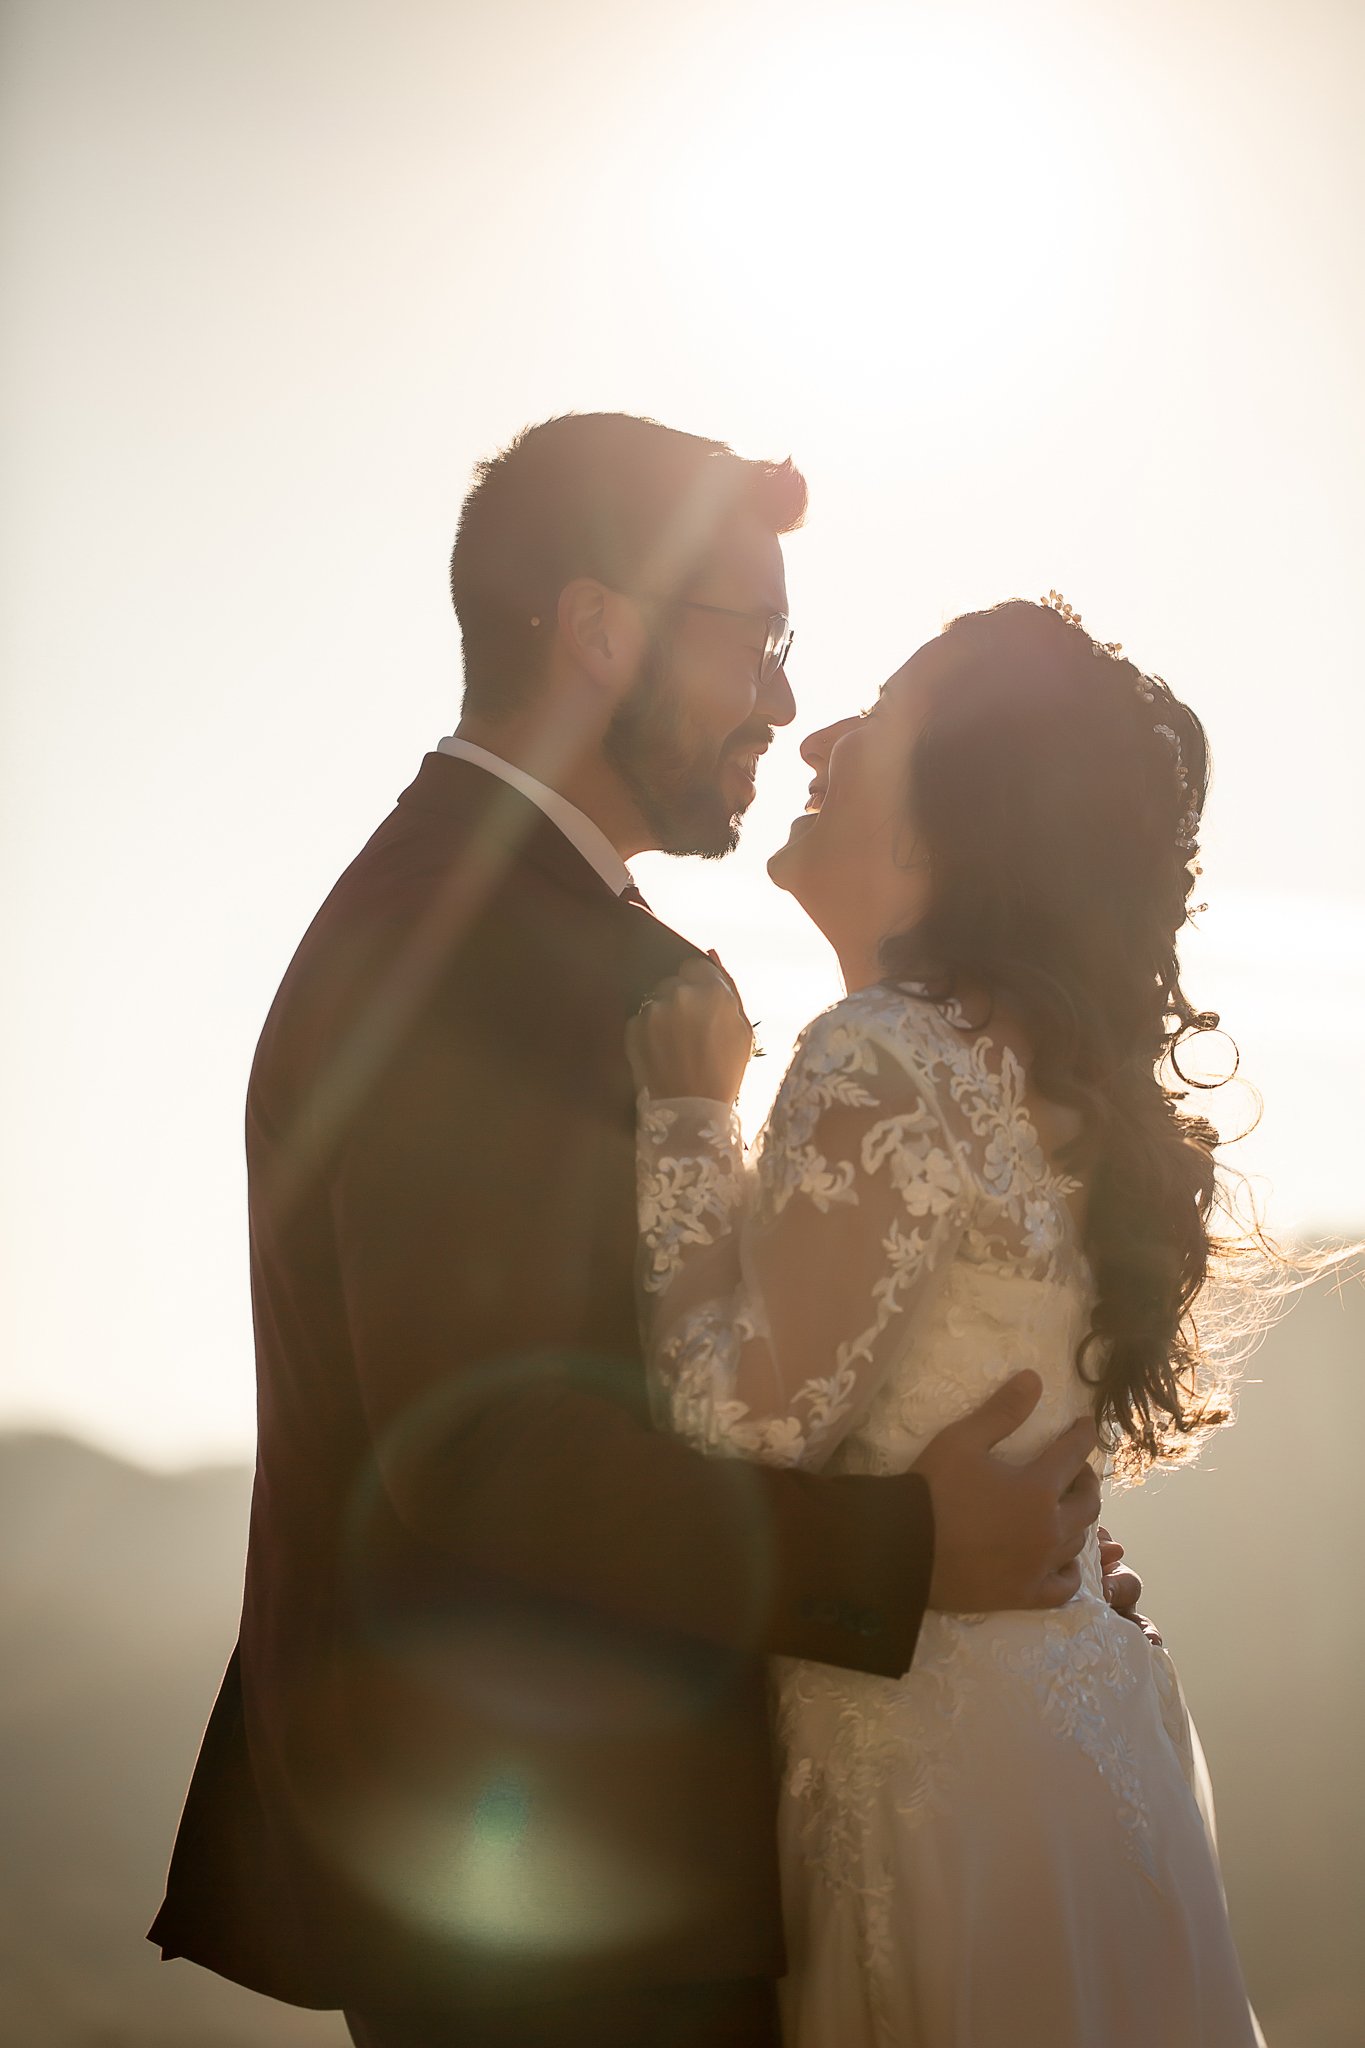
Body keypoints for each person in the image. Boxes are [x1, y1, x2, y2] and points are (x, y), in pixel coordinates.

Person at [149, 419, 1112, 2047]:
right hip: (542, 1886)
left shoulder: (531, 924)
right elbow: (488, 1455)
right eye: (757, 642)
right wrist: (916, 1554)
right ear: (599, 631)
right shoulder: (467, 953)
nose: (784, 704)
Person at [627, 595, 1263, 2047]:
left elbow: (730, 1418)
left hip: (931, 1766)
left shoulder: (884, 1055)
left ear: (947, 818)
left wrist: (679, 1126)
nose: (824, 738)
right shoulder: (1049, 1080)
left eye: (879, 719)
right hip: (1078, 1736)